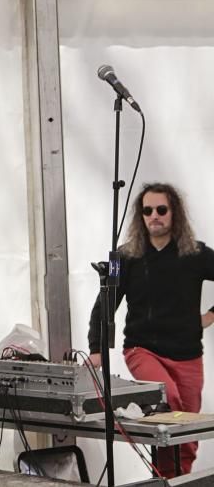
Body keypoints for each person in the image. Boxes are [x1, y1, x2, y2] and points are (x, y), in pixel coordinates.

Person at [88, 182, 214, 477]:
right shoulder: (123, 258)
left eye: (161, 209)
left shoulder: (195, 253)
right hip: (142, 350)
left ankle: (171, 481)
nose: (154, 216)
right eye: (147, 210)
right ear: (140, 216)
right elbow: (105, 302)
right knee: (168, 400)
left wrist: (210, 315)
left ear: (174, 213)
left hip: (188, 355)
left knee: (187, 435)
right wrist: (96, 348)